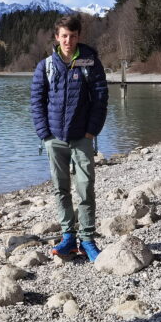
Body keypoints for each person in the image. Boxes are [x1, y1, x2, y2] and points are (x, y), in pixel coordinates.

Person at [30, 14, 109, 262]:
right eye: (64, 36)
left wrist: (91, 131)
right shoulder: (46, 66)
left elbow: (100, 99)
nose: (68, 40)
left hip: (82, 138)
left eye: (72, 36)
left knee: (85, 189)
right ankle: (68, 238)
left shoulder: (90, 63)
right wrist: (45, 134)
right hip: (55, 139)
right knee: (60, 189)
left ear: (78, 37)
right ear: (57, 37)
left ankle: (87, 239)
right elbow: (36, 102)